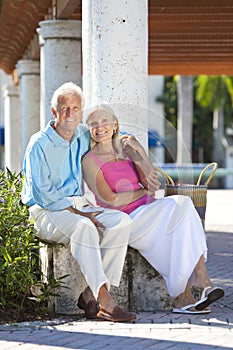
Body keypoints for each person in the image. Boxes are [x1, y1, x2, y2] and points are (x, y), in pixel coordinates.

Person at [82, 104, 224, 314]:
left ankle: (188, 295)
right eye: (93, 123)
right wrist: (141, 192)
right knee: (181, 211)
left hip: (149, 212)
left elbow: (153, 184)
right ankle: (196, 286)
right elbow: (111, 200)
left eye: (104, 121)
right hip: (124, 219)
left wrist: (138, 151)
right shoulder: (89, 160)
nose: (99, 127)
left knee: (182, 210)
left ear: (114, 125)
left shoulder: (127, 150)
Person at [21, 82, 137, 323]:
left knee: (121, 222)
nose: (70, 113)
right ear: (54, 112)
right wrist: (77, 213)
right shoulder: (38, 144)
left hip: (79, 205)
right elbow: (42, 193)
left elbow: (105, 139)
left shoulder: (82, 135)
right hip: (45, 210)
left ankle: (88, 293)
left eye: (76, 108)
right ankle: (105, 300)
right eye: (65, 108)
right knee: (84, 226)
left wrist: (128, 143)